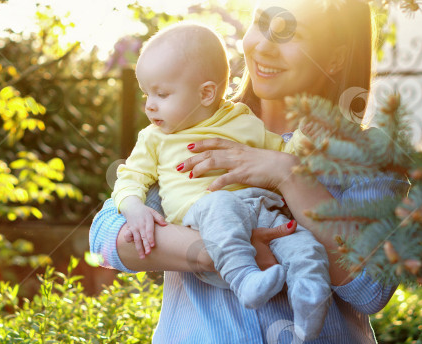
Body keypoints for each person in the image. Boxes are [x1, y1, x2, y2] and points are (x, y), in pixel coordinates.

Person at [90, 0, 410, 343]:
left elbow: (371, 288)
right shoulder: (194, 126)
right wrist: (217, 253)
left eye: (291, 33)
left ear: (335, 59)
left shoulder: (366, 155)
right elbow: (108, 238)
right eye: (262, 23)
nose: (264, 46)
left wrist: (288, 174)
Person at [112, 22, 331, 340]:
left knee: (304, 246)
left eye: (161, 94)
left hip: (259, 210)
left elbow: (283, 153)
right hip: (204, 218)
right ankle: (246, 280)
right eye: (147, 94)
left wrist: (305, 139)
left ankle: (309, 312)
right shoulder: (155, 138)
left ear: (206, 93)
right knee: (221, 203)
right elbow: (129, 177)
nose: (149, 105)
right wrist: (134, 209)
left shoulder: (242, 120)